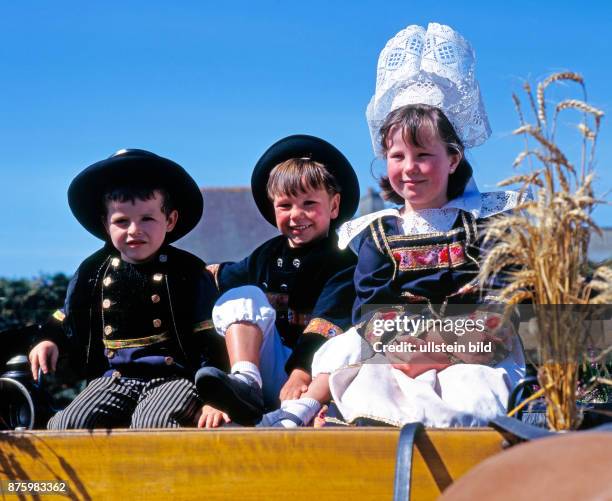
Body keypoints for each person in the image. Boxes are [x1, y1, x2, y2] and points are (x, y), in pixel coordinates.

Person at [258, 23, 526, 428]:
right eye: (398, 155)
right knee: (359, 370)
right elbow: (370, 309)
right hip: (395, 352)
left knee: (471, 394)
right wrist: (405, 350)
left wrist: (440, 351)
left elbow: (502, 306)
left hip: (470, 350)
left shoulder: (485, 223)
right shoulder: (380, 234)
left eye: (423, 154)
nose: (410, 169)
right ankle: (315, 413)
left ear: (452, 158)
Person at [28, 149, 226, 429]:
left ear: (169, 220)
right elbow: (67, 315)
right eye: (122, 221)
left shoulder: (187, 271)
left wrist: (215, 397)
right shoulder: (93, 271)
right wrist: (48, 339)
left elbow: (211, 338)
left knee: (153, 424)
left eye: (147, 219)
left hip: (175, 378)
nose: (134, 230)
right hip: (114, 377)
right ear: (105, 225)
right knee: (67, 425)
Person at [195, 135, 360, 427]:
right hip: (266, 371)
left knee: (350, 341)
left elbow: (327, 320)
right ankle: (243, 383)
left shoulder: (341, 260)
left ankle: (300, 412)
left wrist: (300, 372)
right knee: (241, 295)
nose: (297, 215)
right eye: (285, 205)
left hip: (313, 374)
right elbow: (222, 279)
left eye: (309, 203)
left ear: (334, 206)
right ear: (273, 208)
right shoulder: (266, 254)